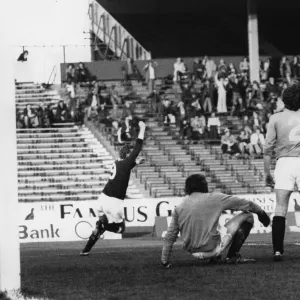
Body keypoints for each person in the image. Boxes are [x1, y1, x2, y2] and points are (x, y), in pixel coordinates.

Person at [160, 174, 270, 268]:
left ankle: (215, 258)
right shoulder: (215, 198)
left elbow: (170, 236)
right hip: (213, 249)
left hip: (193, 252)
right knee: (248, 216)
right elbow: (248, 205)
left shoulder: (179, 207)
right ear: (204, 186)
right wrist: (261, 213)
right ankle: (232, 256)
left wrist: (165, 261)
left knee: (213, 227)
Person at [80, 121, 146, 256]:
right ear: (128, 155)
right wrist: (143, 129)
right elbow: (138, 147)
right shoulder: (127, 163)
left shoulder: (117, 162)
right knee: (120, 229)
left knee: (100, 226)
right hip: (113, 201)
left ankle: (86, 250)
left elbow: (124, 169)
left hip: (103, 198)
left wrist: (136, 163)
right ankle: (103, 226)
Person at [264, 84, 300, 262]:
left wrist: (267, 174)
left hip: (284, 162)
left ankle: (278, 251)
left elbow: (267, 150)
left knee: (280, 207)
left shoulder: (276, 118)